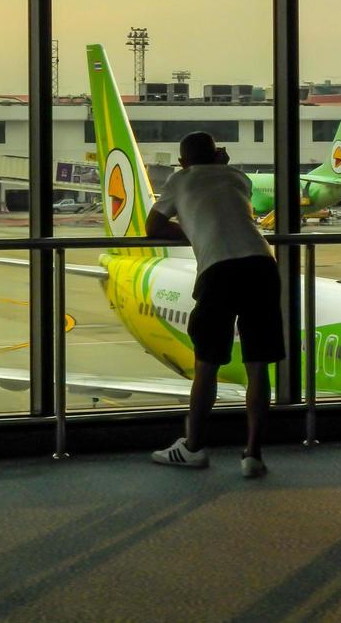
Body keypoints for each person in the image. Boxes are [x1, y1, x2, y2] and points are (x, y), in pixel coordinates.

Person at [144, 131, 284, 478]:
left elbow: (152, 227)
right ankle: (253, 455)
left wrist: (194, 231)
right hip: (262, 265)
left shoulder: (181, 179)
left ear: (182, 161)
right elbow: (230, 206)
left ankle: (194, 448)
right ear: (219, 154)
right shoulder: (238, 177)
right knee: (258, 366)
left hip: (219, 269)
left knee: (207, 364)